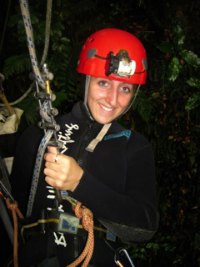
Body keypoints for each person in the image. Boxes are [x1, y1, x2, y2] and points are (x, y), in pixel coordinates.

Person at [10, 28, 159, 267]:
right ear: (86, 80)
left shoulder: (134, 147)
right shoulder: (37, 136)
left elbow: (144, 226)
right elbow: (11, 214)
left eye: (125, 89)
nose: (112, 100)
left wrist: (81, 183)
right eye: (103, 83)